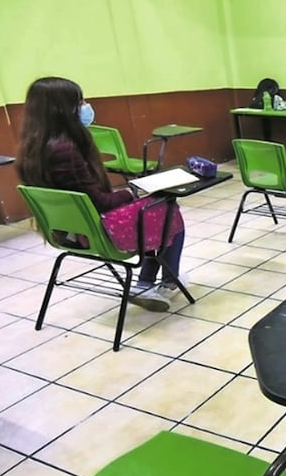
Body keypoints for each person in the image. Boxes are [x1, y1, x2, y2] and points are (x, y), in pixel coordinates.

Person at [16, 76, 185, 312]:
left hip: (67, 231)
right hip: (96, 232)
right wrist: (132, 191)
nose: (85, 107)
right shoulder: (65, 149)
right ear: (63, 109)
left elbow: (83, 197)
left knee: (150, 211)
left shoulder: (32, 147)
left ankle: (145, 283)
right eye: (79, 102)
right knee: (166, 207)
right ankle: (165, 283)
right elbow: (101, 203)